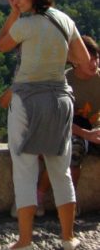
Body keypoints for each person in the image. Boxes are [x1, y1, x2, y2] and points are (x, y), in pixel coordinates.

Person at [0, 0, 93, 250]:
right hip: (60, 98)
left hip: (27, 99)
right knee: (60, 170)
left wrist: (13, 13)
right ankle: (68, 238)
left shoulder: (25, 24)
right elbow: (83, 61)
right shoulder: (65, 20)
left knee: (24, 168)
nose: (16, 0)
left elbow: (2, 45)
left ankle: (25, 241)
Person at [35, 35, 100, 216]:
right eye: (90, 59)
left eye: (96, 58)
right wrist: (87, 134)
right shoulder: (64, 82)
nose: (94, 63)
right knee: (73, 148)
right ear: (76, 61)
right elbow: (60, 121)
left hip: (91, 129)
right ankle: (60, 200)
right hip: (64, 129)